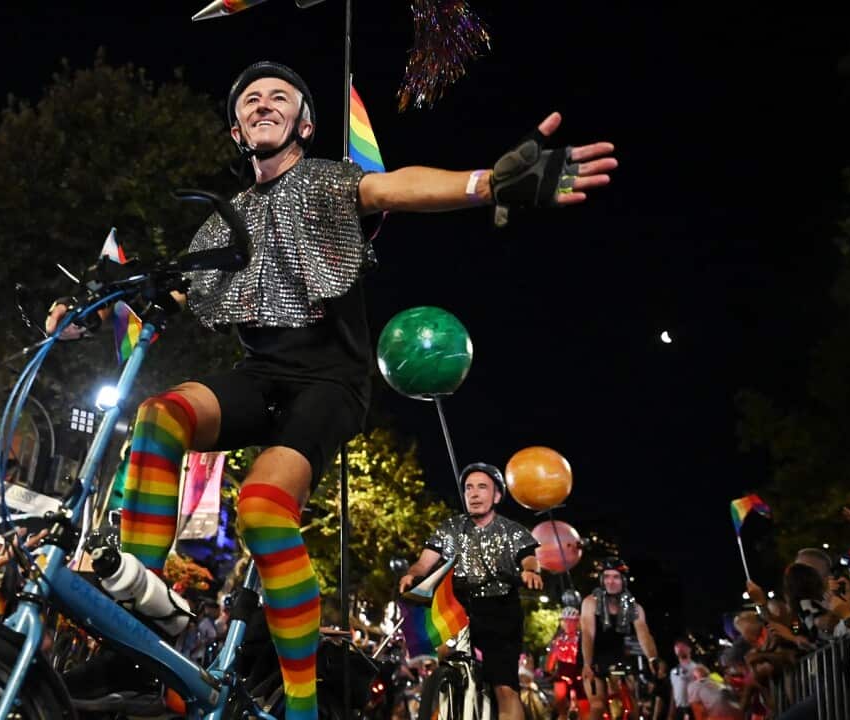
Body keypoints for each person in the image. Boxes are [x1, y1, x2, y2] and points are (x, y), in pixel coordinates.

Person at [48, 60, 614, 720]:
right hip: (260, 380)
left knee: (262, 508)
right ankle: (134, 631)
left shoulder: (327, 183)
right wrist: (85, 315)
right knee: (158, 415)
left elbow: (396, 189)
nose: (263, 103)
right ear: (236, 129)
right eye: (250, 98)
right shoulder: (222, 224)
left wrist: (487, 183)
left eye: (278, 97)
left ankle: (302, 709)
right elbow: (170, 289)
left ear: (303, 123)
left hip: (329, 382)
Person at [399, 463, 542, 720]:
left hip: (501, 609)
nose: (474, 494)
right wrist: (413, 574)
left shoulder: (512, 530)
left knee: (504, 687)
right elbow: (424, 562)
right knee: (444, 655)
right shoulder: (450, 529)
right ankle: (452, 692)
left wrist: (531, 571)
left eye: (482, 487)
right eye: (469, 488)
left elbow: (529, 558)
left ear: (497, 496)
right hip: (459, 605)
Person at [580, 557, 659, 720]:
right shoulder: (590, 602)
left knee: (632, 704)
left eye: (615, 577)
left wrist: (652, 658)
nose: (611, 581)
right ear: (602, 580)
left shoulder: (634, 607)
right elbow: (587, 633)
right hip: (594, 657)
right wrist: (587, 664)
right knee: (597, 705)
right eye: (607, 576)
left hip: (620, 658)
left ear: (623, 580)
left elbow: (643, 633)